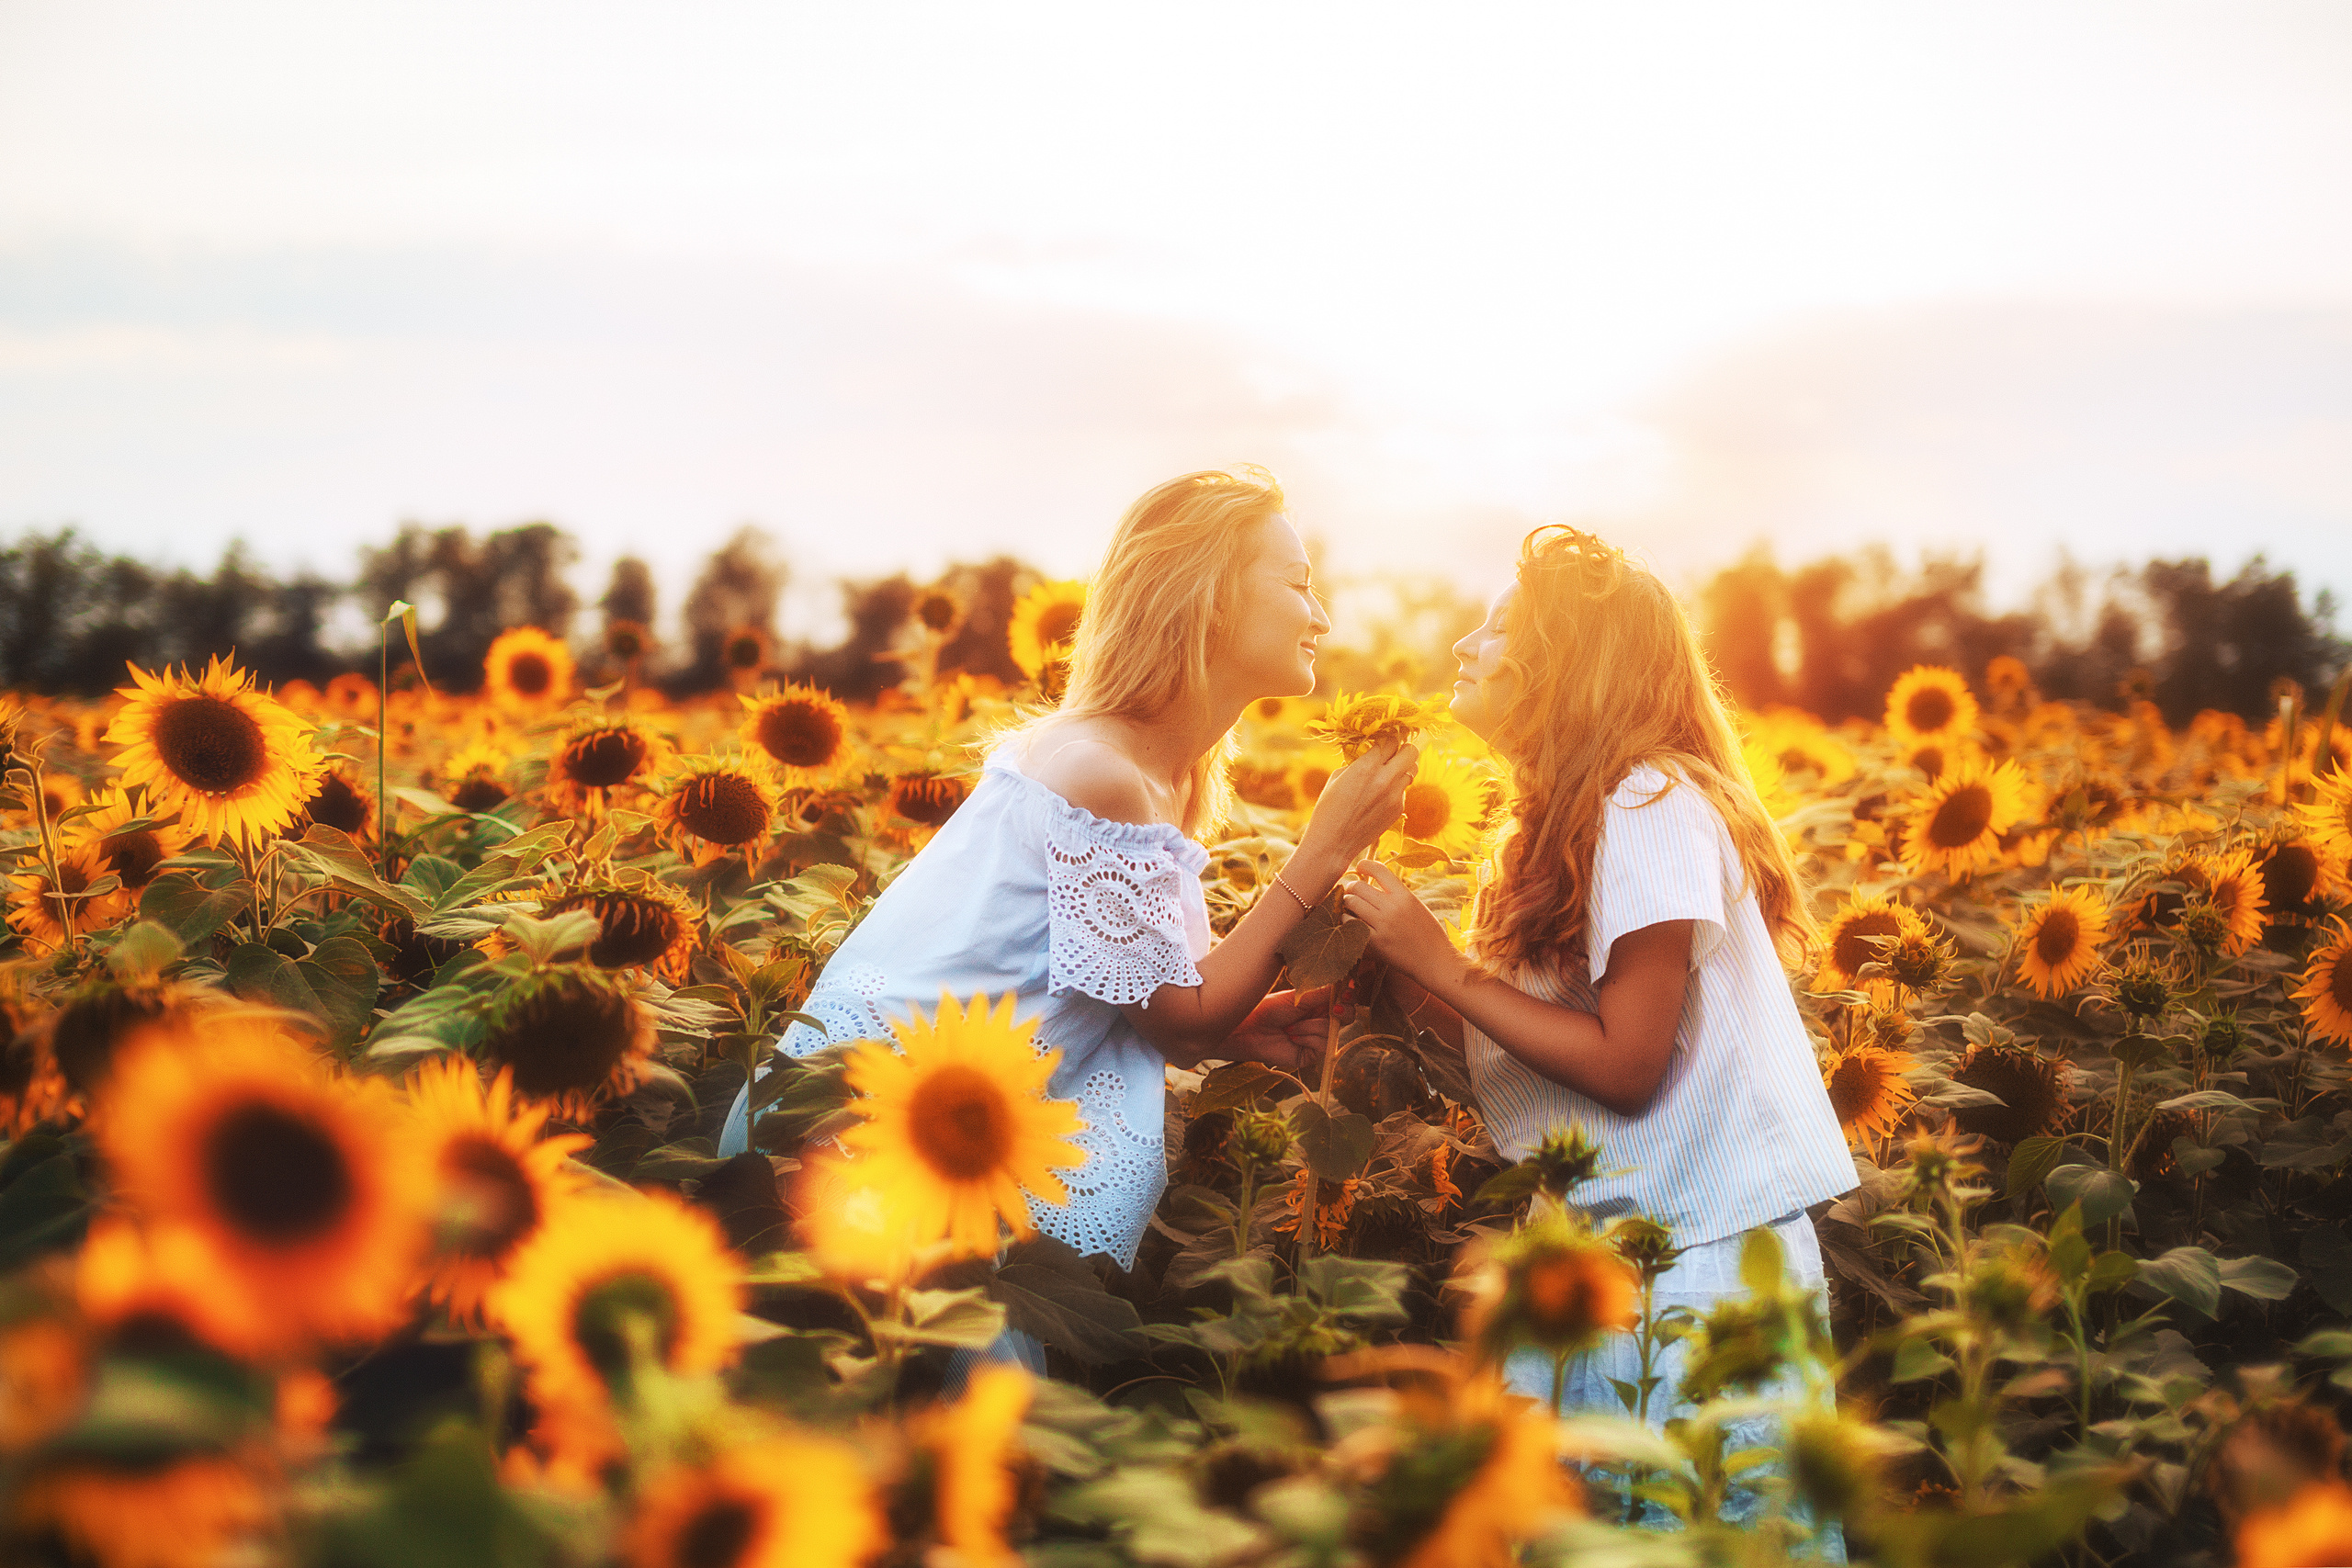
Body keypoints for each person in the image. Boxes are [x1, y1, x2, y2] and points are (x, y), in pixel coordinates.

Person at [718, 467, 1415, 1302]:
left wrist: (1244, 1028)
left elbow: (1162, 1002)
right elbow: (1183, 1015)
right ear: (1212, 597)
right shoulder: (1103, 776)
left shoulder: (1161, 774)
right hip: (854, 1149)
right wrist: (1323, 851)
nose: (1322, 615)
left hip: (933, 1146)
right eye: (1299, 584)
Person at [1338, 524, 1856, 1555]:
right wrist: (1400, 976)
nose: (1465, 649)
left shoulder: (1648, 801)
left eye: (1498, 632)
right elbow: (1542, 1038)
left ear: (1568, 671)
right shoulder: (1557, 819)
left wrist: (1442, 965)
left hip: (1697, 1265)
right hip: (1605, 1254)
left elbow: (1624, 1064)